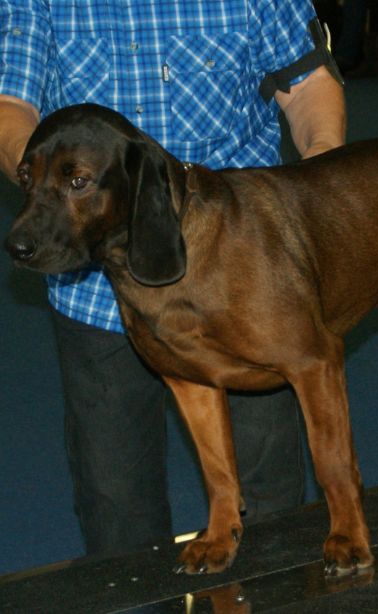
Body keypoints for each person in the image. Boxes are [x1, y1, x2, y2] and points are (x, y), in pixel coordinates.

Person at [0, 0, 345, 556]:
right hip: (98, 295)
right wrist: (55, 185)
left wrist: (324, 174)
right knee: (116, 508)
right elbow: (8, 105)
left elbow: (306, 87)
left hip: (246, 281)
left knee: (272, 501)